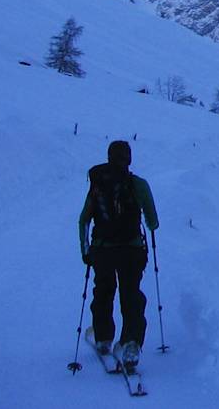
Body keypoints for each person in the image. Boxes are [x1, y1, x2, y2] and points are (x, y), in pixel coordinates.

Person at [78, 140, 159, 370]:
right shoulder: (138, 184)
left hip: (102, 250)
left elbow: (84, 219)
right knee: (131, 294)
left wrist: (86, 252)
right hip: (131, 251)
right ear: (129, 159)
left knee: (103, 291)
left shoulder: (97, 184)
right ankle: (131, 344)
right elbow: (153, 221)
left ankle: (103, 338)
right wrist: (150, 226)